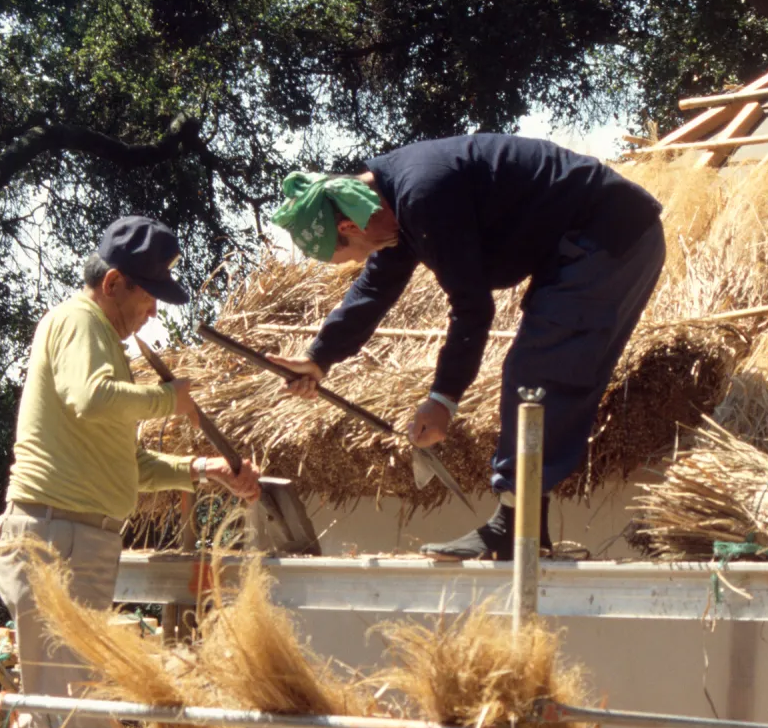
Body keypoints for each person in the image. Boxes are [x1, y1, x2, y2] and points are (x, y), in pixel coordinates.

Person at [0, 216, 260, 728]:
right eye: (146, 299)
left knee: (45, 705)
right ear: (113, 282)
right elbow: (89, 400)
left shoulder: (106, 342)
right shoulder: (81, 323)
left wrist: (199, 467)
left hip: (70, 536)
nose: (150, 314)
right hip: (59, 537)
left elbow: (128, 463)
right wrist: (170, 399)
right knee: (72, 706)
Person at [266, 134, 665, 560]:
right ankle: (523, 525)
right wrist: (318, 358)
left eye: (356, 253)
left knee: (537, 372)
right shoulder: (390, 203)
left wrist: (444, 398)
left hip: (609, 237)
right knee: (535, 368)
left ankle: (515, 526)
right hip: (581, 243)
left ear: (349, 227)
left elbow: (473, 309)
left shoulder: (423, 194)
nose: (370, 257)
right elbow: (375, 289)